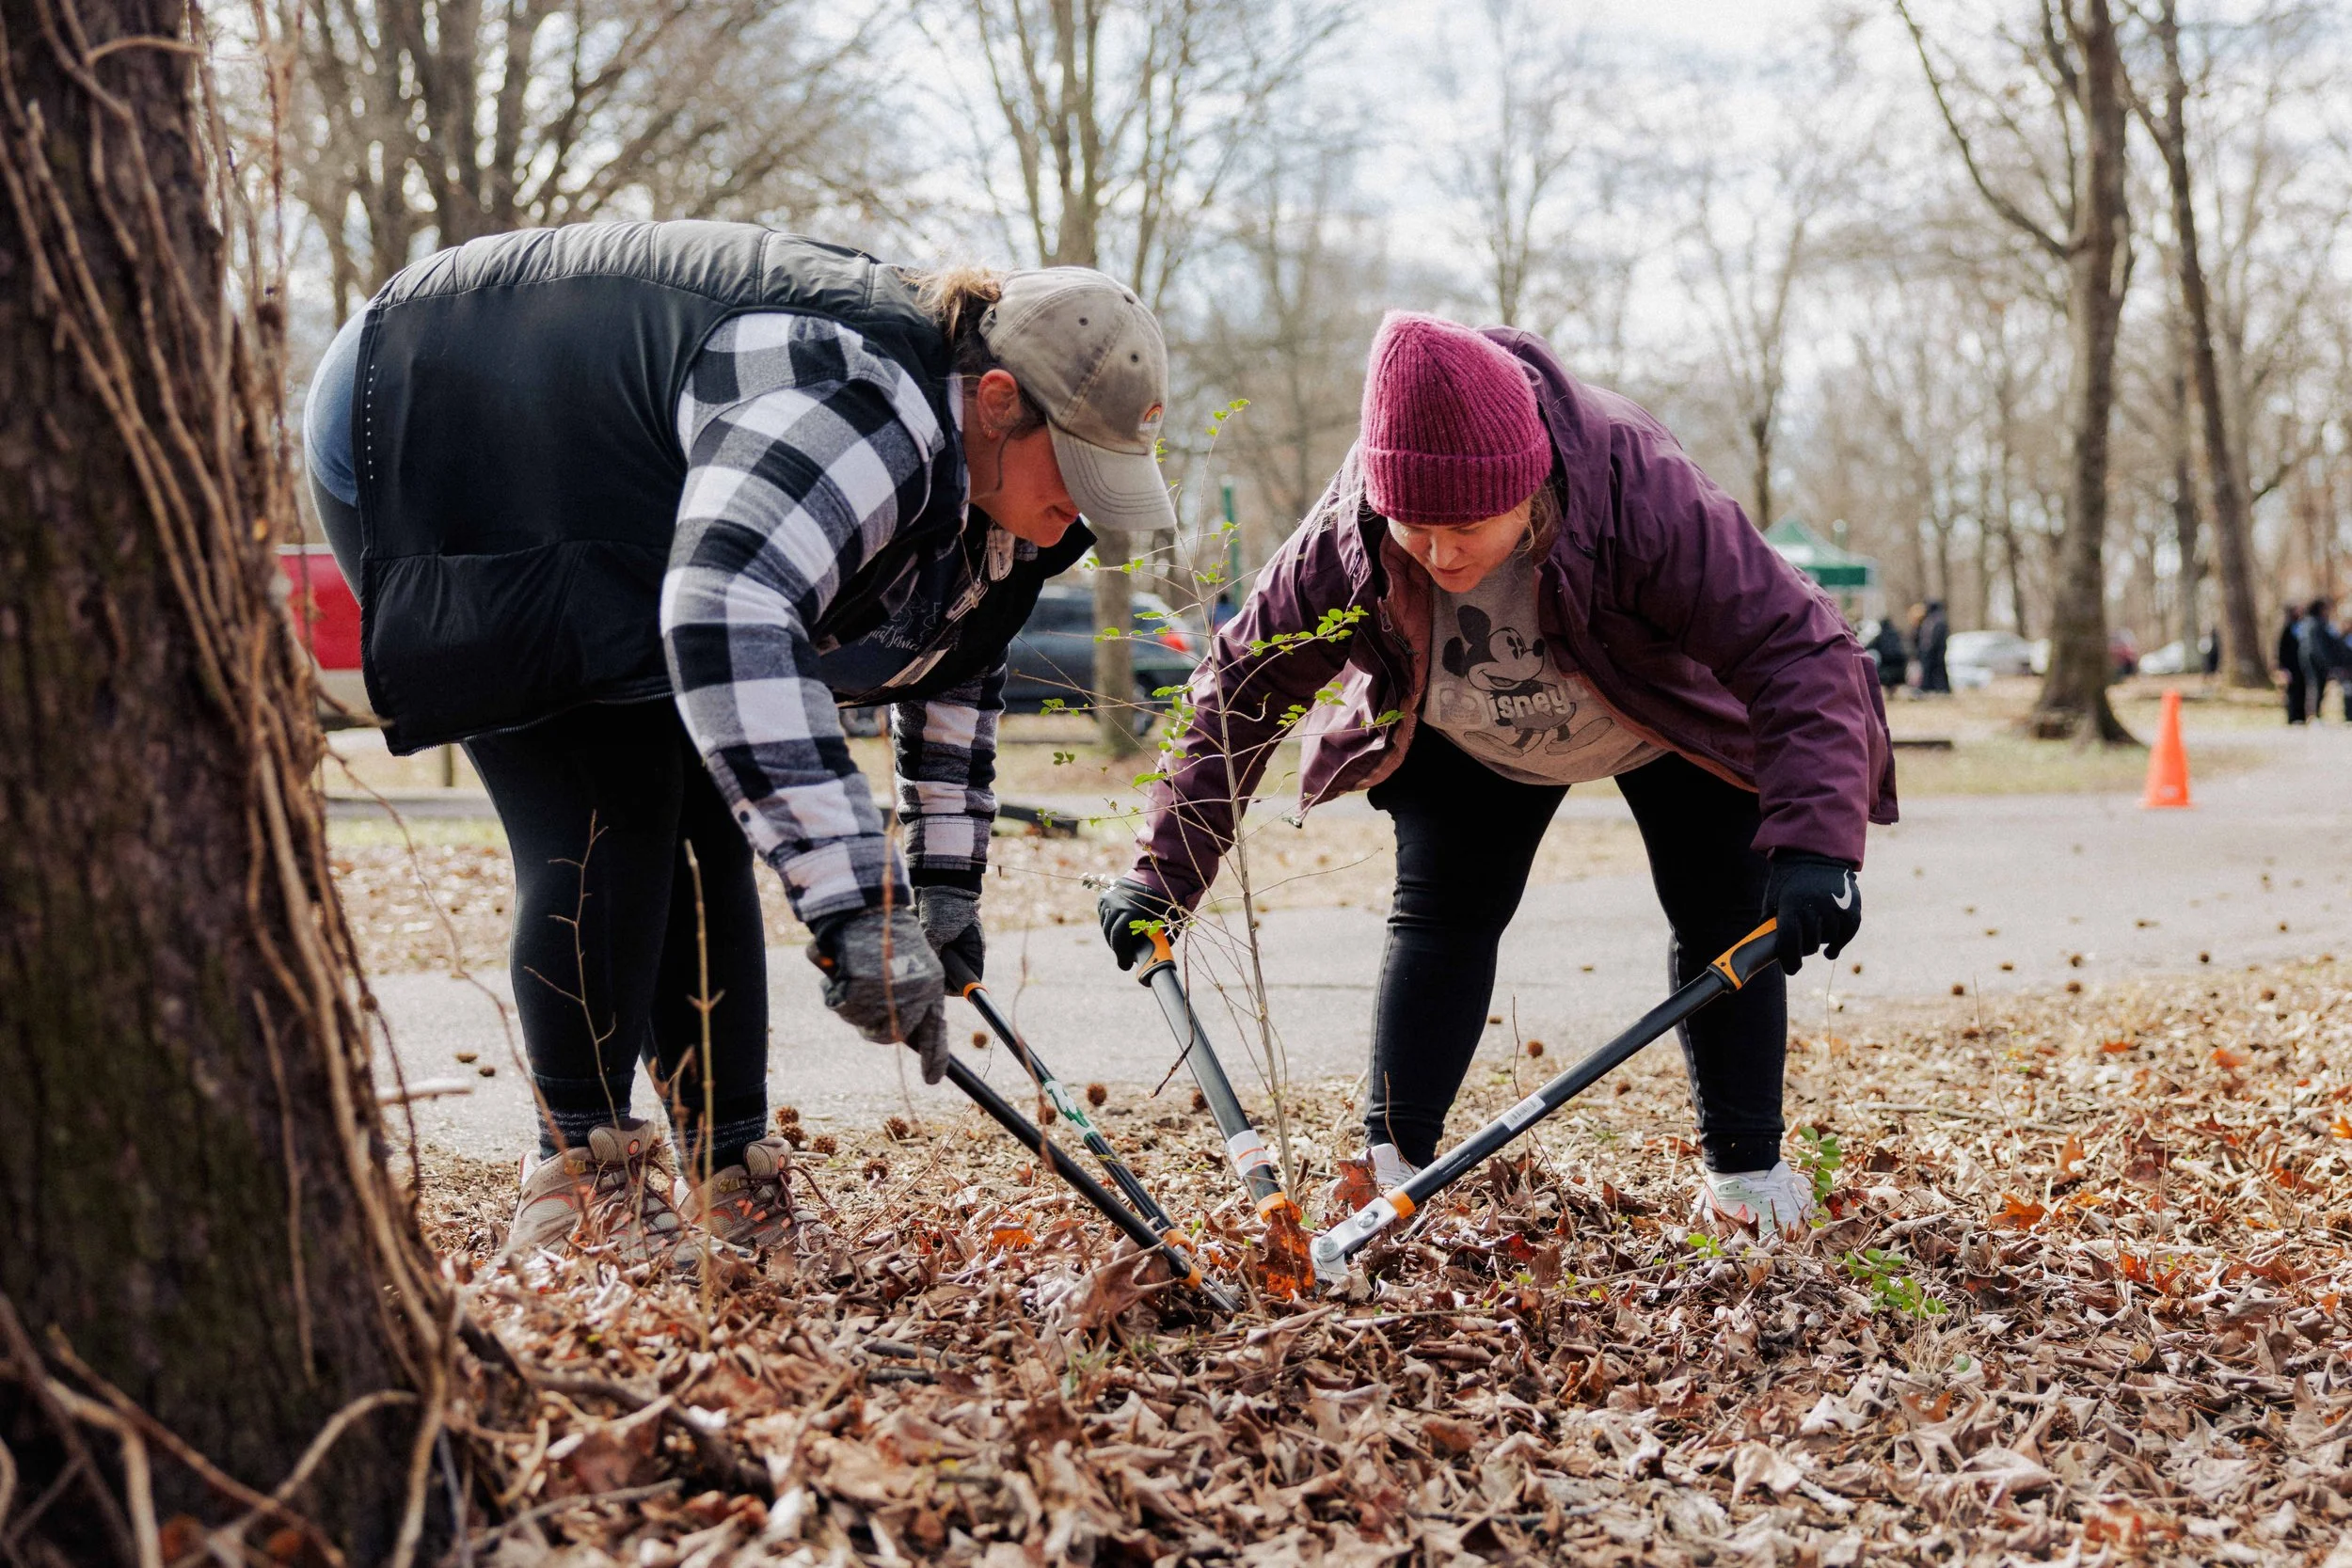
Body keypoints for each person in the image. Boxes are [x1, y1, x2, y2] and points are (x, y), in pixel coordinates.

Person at [303, 222, 1176, 1266]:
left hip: (604, 488)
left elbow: (951, 669)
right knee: (610, 796)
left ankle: (731, 1177)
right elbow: (728, 610)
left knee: (709, 810)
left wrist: (939, 893)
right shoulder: (863, 410)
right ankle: (577, 1187)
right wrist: (859, 905)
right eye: (1075, 466)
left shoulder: (991, 497)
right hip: (434, 411)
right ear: (995, 401)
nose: (1082, 505)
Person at [1094, 313, 1896, 1236]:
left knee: (1723, 907)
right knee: (1441, 910)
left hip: (1664, 715)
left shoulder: (1640, 490)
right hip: (1470, 727)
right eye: (1413, 529)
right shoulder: (1349, 530)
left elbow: (1799, 648)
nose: (1437, 554)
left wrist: (1814, 845)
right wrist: (1161, 873)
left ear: (1529, 486)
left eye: (1464, 526)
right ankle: (1393, 1170)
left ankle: (1744, 1175)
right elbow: (1241, 682)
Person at [1914, 600, 1951, 694]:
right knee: (1936, 671)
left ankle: (1940, 689)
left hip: (1934, 652)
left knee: (1937, 671)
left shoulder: (1935, 621)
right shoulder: (1935, 620)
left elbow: (1934, 639)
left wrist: (1929, 650)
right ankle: (1936, 688)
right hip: (1935, 651)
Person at [2281, 605, 2310, 724]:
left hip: (2302, 666)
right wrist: (2284, 668)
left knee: (2303, 691)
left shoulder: (2303, 627)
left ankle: (2302, 717)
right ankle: (2292, 717)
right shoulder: (2287, 629)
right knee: (2292, 693)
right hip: (2291, 667)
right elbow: (2282, 650)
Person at [1868, 614, 1909, 694]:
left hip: (1886, 669)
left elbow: (1869, 647)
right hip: (1900, 669)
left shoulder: (1880, 637)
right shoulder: (1897, 635)